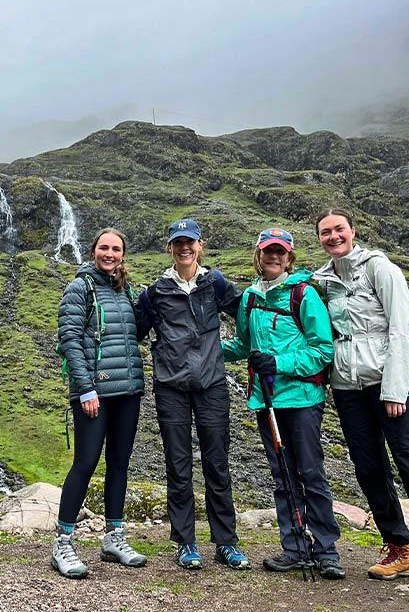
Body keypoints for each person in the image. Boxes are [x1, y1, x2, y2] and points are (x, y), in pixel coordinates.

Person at [313, 210, 409, 607]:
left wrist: (396, 389)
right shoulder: (323, 281)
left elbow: (402, 329)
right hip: (348, 387)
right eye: (325, 233)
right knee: (369, 469)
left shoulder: (381, 269)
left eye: (339, 230)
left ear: (353, 231)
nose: (333, 237)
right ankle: (398, 547)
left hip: (390, 384)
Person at [220, 228, 345, 579]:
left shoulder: (303, 295)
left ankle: (327, 550)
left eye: (280, 252)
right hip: (266, 399)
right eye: (267, 252)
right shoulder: (250, 298)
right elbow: (243, 345)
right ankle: (294, 548)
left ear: (289, 258)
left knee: (311, 472)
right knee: (283, 476)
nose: (273, 257)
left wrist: (278, 363)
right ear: (258, 256)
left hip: (302, 399)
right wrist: (201, 351)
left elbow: (322, 349)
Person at [135, 218, 250, 571]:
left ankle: (226, 542)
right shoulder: (155, 292)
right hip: (171, 387)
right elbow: (133, 333)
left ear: (200, 245)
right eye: (177, 242)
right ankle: (186, 542)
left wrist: (245, 350)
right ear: (170, 248)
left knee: (217, 461)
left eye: (190, 242)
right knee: (178, 463)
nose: (184, 248)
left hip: (212, 385)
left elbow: (246, 312)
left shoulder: (215, 283)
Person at [52, 227, 147, 578]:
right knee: (86, 462)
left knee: (119, 463)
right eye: (104, 248)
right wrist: (86, 388)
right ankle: (62, 542)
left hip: (128, 391)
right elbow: (70, 339)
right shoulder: (80, 287)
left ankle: (114, 537)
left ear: (123, 254)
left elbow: (137, 331)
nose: (110, 254)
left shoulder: (126, 290)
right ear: (93, 251)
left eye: (116, 249)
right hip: (94, 393)